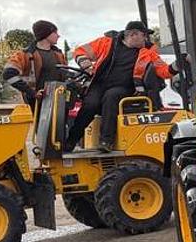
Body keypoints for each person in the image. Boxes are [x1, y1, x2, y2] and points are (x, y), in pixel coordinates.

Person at [64, 21, 177, 152]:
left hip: (126, 88)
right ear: (133, 35)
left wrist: (177, 66)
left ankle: (106, 141)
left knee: (111, 96)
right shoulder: (106, 43)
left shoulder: (148, 52)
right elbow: (81, 51)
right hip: (99, 84)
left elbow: (164, 71)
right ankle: (71, 141)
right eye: (144, 35)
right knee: (90, 104)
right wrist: (83, 61)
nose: (145, 39)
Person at [2, 20, 66, 106]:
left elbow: (65, 74)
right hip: (36, 103)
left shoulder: (58, 54)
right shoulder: (25, 55)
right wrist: (31, 92)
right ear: (46, 34)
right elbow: (8, 74)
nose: (58, 35)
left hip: (59, 100)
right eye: (55, 32)